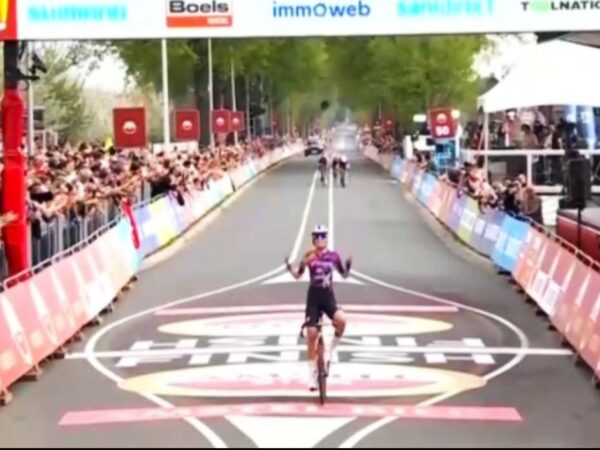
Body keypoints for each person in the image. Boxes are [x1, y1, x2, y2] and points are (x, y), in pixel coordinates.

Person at [285, 225, 351, 391]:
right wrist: (289, 268)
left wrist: (348, 267)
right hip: (313, 299)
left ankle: (332, 347)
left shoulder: (334, 256)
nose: (321, 239)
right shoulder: (309, 257)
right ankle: (312, 375)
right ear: (313, 240)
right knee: (312, 334)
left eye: (323, 236)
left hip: (328, 298)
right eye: (317, 236)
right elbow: (298, 275)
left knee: (342, 320)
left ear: (327, 239)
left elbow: (343, 274)